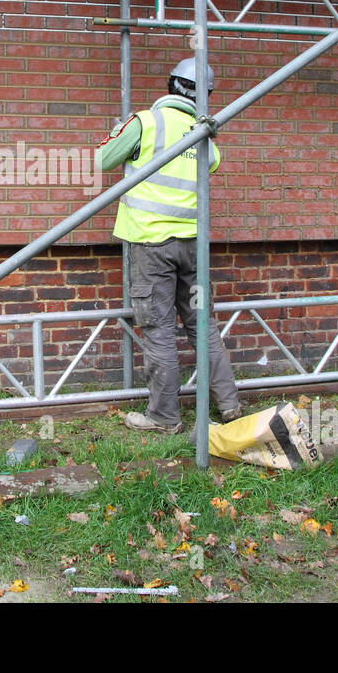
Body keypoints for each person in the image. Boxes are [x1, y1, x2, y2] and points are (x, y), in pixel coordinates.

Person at [95, 58, 242, 433]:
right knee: (202, 326)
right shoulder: (205, 135)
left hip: (151, 247)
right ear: (205, 95)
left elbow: (101, 160)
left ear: (172, 84)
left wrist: (118, 134)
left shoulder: (146, 122)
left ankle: (163, 416)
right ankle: (229, 405)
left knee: (159, 329)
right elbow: (208, 168)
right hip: (193, 249)